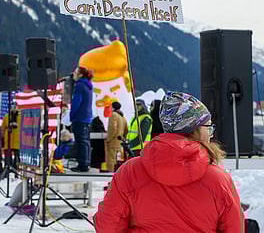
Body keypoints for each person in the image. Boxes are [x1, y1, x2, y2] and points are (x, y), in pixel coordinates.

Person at [93, 91, 245, 232]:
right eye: (208, 127)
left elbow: (107, 225)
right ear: (195, 129)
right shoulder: (219, 180)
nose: (210, 134)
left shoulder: (129, 172)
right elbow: (234, 228)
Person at [70, 66, 93, 172]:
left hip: (79, 117)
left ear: (80, 75)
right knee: (85, 141)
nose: (73, 74)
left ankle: (82, 164)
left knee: (80, 141)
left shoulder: (79, 85)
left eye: (75, 72)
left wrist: (72, 114)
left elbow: (76, 101)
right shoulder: (88, 85)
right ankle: (86, 162)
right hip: (87, 116)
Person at [104, 102, 127, 172]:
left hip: (113, 141)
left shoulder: (113, 115)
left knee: (111, 161)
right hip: (119, 142)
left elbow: (112, 128)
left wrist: (108, 139)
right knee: (118, 161)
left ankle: (110, 178)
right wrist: (123, 139)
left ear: (113, 107)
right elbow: (126, 129)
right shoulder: (122, 117)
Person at [1, 102, 20, 171]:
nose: (14, 108)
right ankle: (7, 170)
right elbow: (2, 128)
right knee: (7, 157)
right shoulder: (6, 116)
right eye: (12, 107)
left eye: (15, 107)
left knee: (17, 157)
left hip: (17, 139)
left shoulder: (20, 116)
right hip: (8, 138)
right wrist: (2, 139)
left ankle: (16, 170)